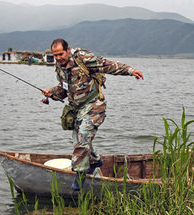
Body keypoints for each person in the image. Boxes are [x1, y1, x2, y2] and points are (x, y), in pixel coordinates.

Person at [41, 38, 144, 191]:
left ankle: (80, 175)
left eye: (60, 54)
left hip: (95, 105)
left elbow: (107, 65)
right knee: (78, 142)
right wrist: (51, 92)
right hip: (78, 109)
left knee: (83, 135)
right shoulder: (60, 67)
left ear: (68, 50)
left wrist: (130, 70)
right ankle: (95, 161)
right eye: (55, 55)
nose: (58, 58)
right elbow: (63, 90)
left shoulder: (83, 58)